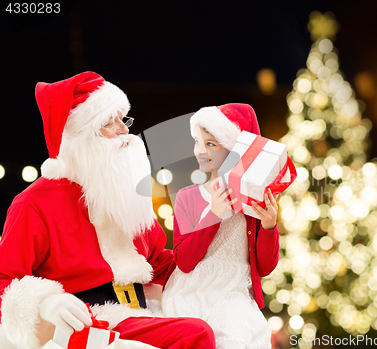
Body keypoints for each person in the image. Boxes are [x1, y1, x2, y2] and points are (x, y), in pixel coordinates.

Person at [0, 72, 216, 349]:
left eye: (122, 120)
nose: (124, 131)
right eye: (108, 123)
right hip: (90, 322)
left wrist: (211, 251)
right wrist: (45, 301)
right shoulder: (34, 203)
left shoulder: (126, 192)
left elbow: (158, 262)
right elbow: (4, 280)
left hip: (141, 312)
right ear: (79, 136)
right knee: (195, 334)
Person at [162, 104, 279, 349]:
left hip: (235, 295)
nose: (200, 151)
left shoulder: (253, 203)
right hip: (191, 293)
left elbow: (265, 267)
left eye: (211, 144)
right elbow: (184, 261)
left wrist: (269, 227)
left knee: (237, 337)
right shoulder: (187, 197)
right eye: (197, 141)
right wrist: (213, 214)